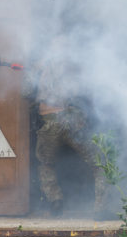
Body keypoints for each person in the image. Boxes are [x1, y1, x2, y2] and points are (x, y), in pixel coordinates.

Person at [30, 35, 108, 218]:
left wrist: (34, 71)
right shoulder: (76, 64)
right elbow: (88, 91)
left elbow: (25, 92)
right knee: (99, 163)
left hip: (49, 120)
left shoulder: (40, 66)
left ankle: (55, 200)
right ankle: (101, 207)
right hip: (72, 121)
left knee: (46, 164)